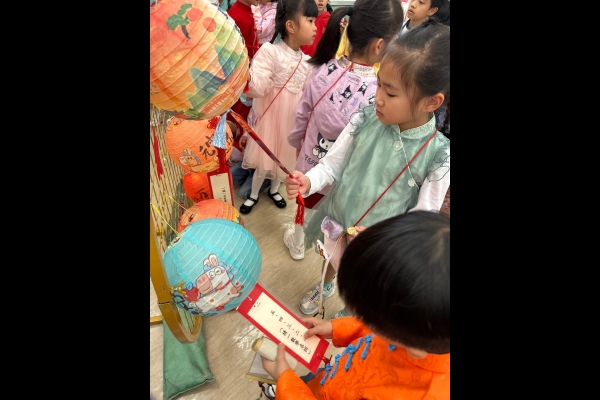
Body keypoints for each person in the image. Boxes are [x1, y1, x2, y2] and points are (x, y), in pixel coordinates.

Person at [284, 20, 450, 318]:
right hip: (341, 215)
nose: (379, 98)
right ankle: (325, 285)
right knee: (332, 259)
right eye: (379, 84)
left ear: (431, 102)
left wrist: (386, 239)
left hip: (378, 244)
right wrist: (308, 181)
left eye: (391, 93)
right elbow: (331, 165)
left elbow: (421, 218)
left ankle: (351, 312)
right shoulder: (364, 118)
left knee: (364, 283)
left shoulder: (439, 156)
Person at [260, 210, 450, 399]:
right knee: (311, 380)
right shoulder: (420, 330)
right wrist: (336, 328)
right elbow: (373, 334)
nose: (362, 319)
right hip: (334, 376)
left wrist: (286, 384)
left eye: (368, 318)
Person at [283, 0, 404, 268]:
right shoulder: (379, 95)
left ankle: (298, 243)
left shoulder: (320, 70)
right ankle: (325, 255)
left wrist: (296, 145)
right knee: (332, 218)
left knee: (304, 204)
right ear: (380, 45)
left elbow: (301, 115)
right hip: (344, 177)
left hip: (309, 162)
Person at [238, 0, 318, 214]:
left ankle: (274, 190)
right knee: (264, 160)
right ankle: (254, 195)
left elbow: (308, 97)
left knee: (284, 159)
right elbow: (258, 87)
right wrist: (246, 76)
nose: (315, 27)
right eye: (310, 21)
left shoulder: (308, 62)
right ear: (291, 26)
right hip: (270, 120)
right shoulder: (270, 52)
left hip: (291, 122)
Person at [226, 0, 260, 147]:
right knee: (238, 115)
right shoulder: (238, 16)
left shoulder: (245, 11)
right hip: (240, 74)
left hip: (246, 70)